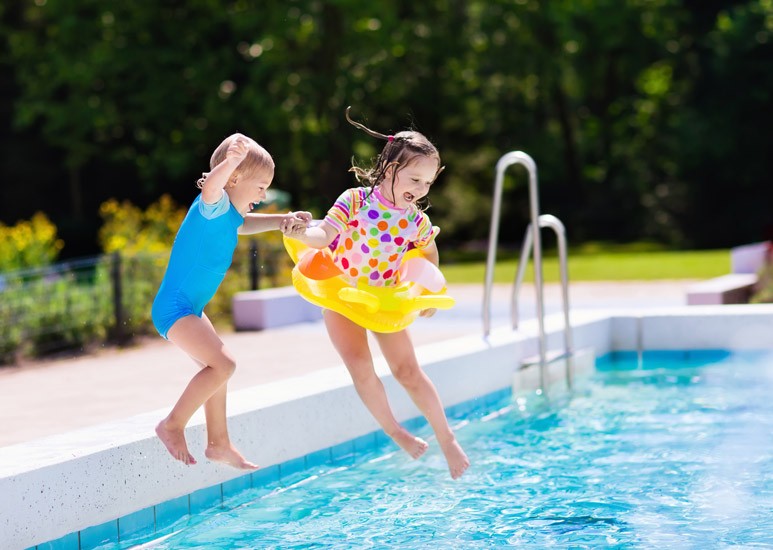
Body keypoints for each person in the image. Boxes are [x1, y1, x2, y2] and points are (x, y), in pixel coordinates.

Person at [288, 108, 470, 479]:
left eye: (427, 184)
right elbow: (324, 235)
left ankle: (447, 437)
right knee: (361, 369)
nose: (420, 190)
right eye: (415, 179)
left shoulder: (416, 220)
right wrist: (301, 234)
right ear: (389, 170)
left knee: (408, 371)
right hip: (341, 294)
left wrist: (426, 290)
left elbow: (426, 252)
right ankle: (396, 431)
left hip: (384, 300)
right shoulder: (354, 201)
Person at [152, 133, 310, 469]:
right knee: (224, 365)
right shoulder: (212, 205)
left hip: (189, 308)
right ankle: (171, 425)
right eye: (261, 186)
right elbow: (211, 189)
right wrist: (230, 162)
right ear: (234, 178)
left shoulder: (228, 216)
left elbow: (244, 224)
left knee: (217, 370)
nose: (264, 195)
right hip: (175, 308)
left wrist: (282, 222)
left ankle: (219, 443)